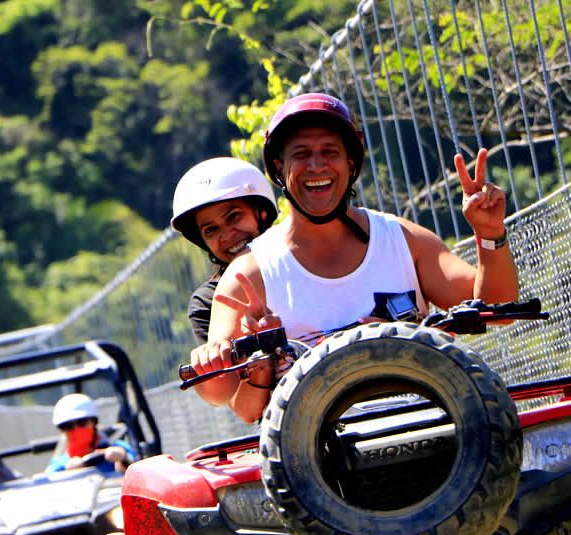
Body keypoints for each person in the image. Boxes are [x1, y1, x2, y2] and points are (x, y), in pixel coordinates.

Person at [191, 92, 519, 423]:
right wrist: (217, 356)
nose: (316, 166)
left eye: (329, 152)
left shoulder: (403, 240)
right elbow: (217, 391)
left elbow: (497, 309)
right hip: (318, 460)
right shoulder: (249, 275)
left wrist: (489, 233)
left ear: (351, 162)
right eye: (301, 154)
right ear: (279, 168)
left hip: (434, 428)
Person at [171, 157, 278, 344]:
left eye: (234, 216)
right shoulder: (207, 303)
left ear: (263, 213)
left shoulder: (308, 259)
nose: (227, 235)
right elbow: (226, 373)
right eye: (211, 230)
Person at [46, 393, 135, 474]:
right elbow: (48, 482)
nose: (76, 429)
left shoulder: (119, 447)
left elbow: (137, 472)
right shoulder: (59, 464)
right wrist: (67, 474)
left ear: (94, 422)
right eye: (68, 426)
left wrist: (123, 459)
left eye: (82, 422)